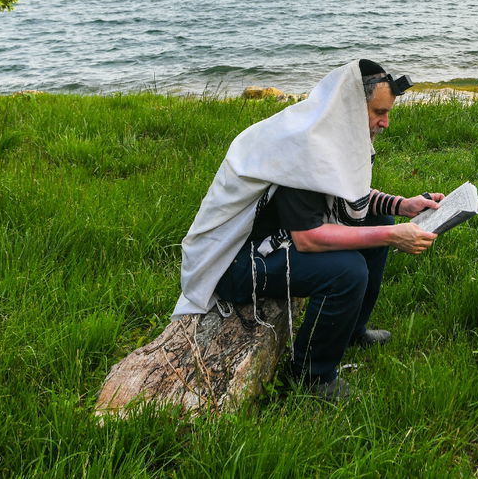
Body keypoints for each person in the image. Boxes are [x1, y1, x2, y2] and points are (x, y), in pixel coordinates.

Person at [174, 59, 443, 401]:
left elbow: (344, 193)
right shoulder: (303, 145)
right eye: (379, 112)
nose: (385, 122)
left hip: (273, 238)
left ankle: (352, 329)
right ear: (350, 106)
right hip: (231, 263)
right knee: (347, 271)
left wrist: (401, 205)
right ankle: (312, 375)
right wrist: (392, 237)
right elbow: (309, 238)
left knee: (380, 221)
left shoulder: (327, 129)